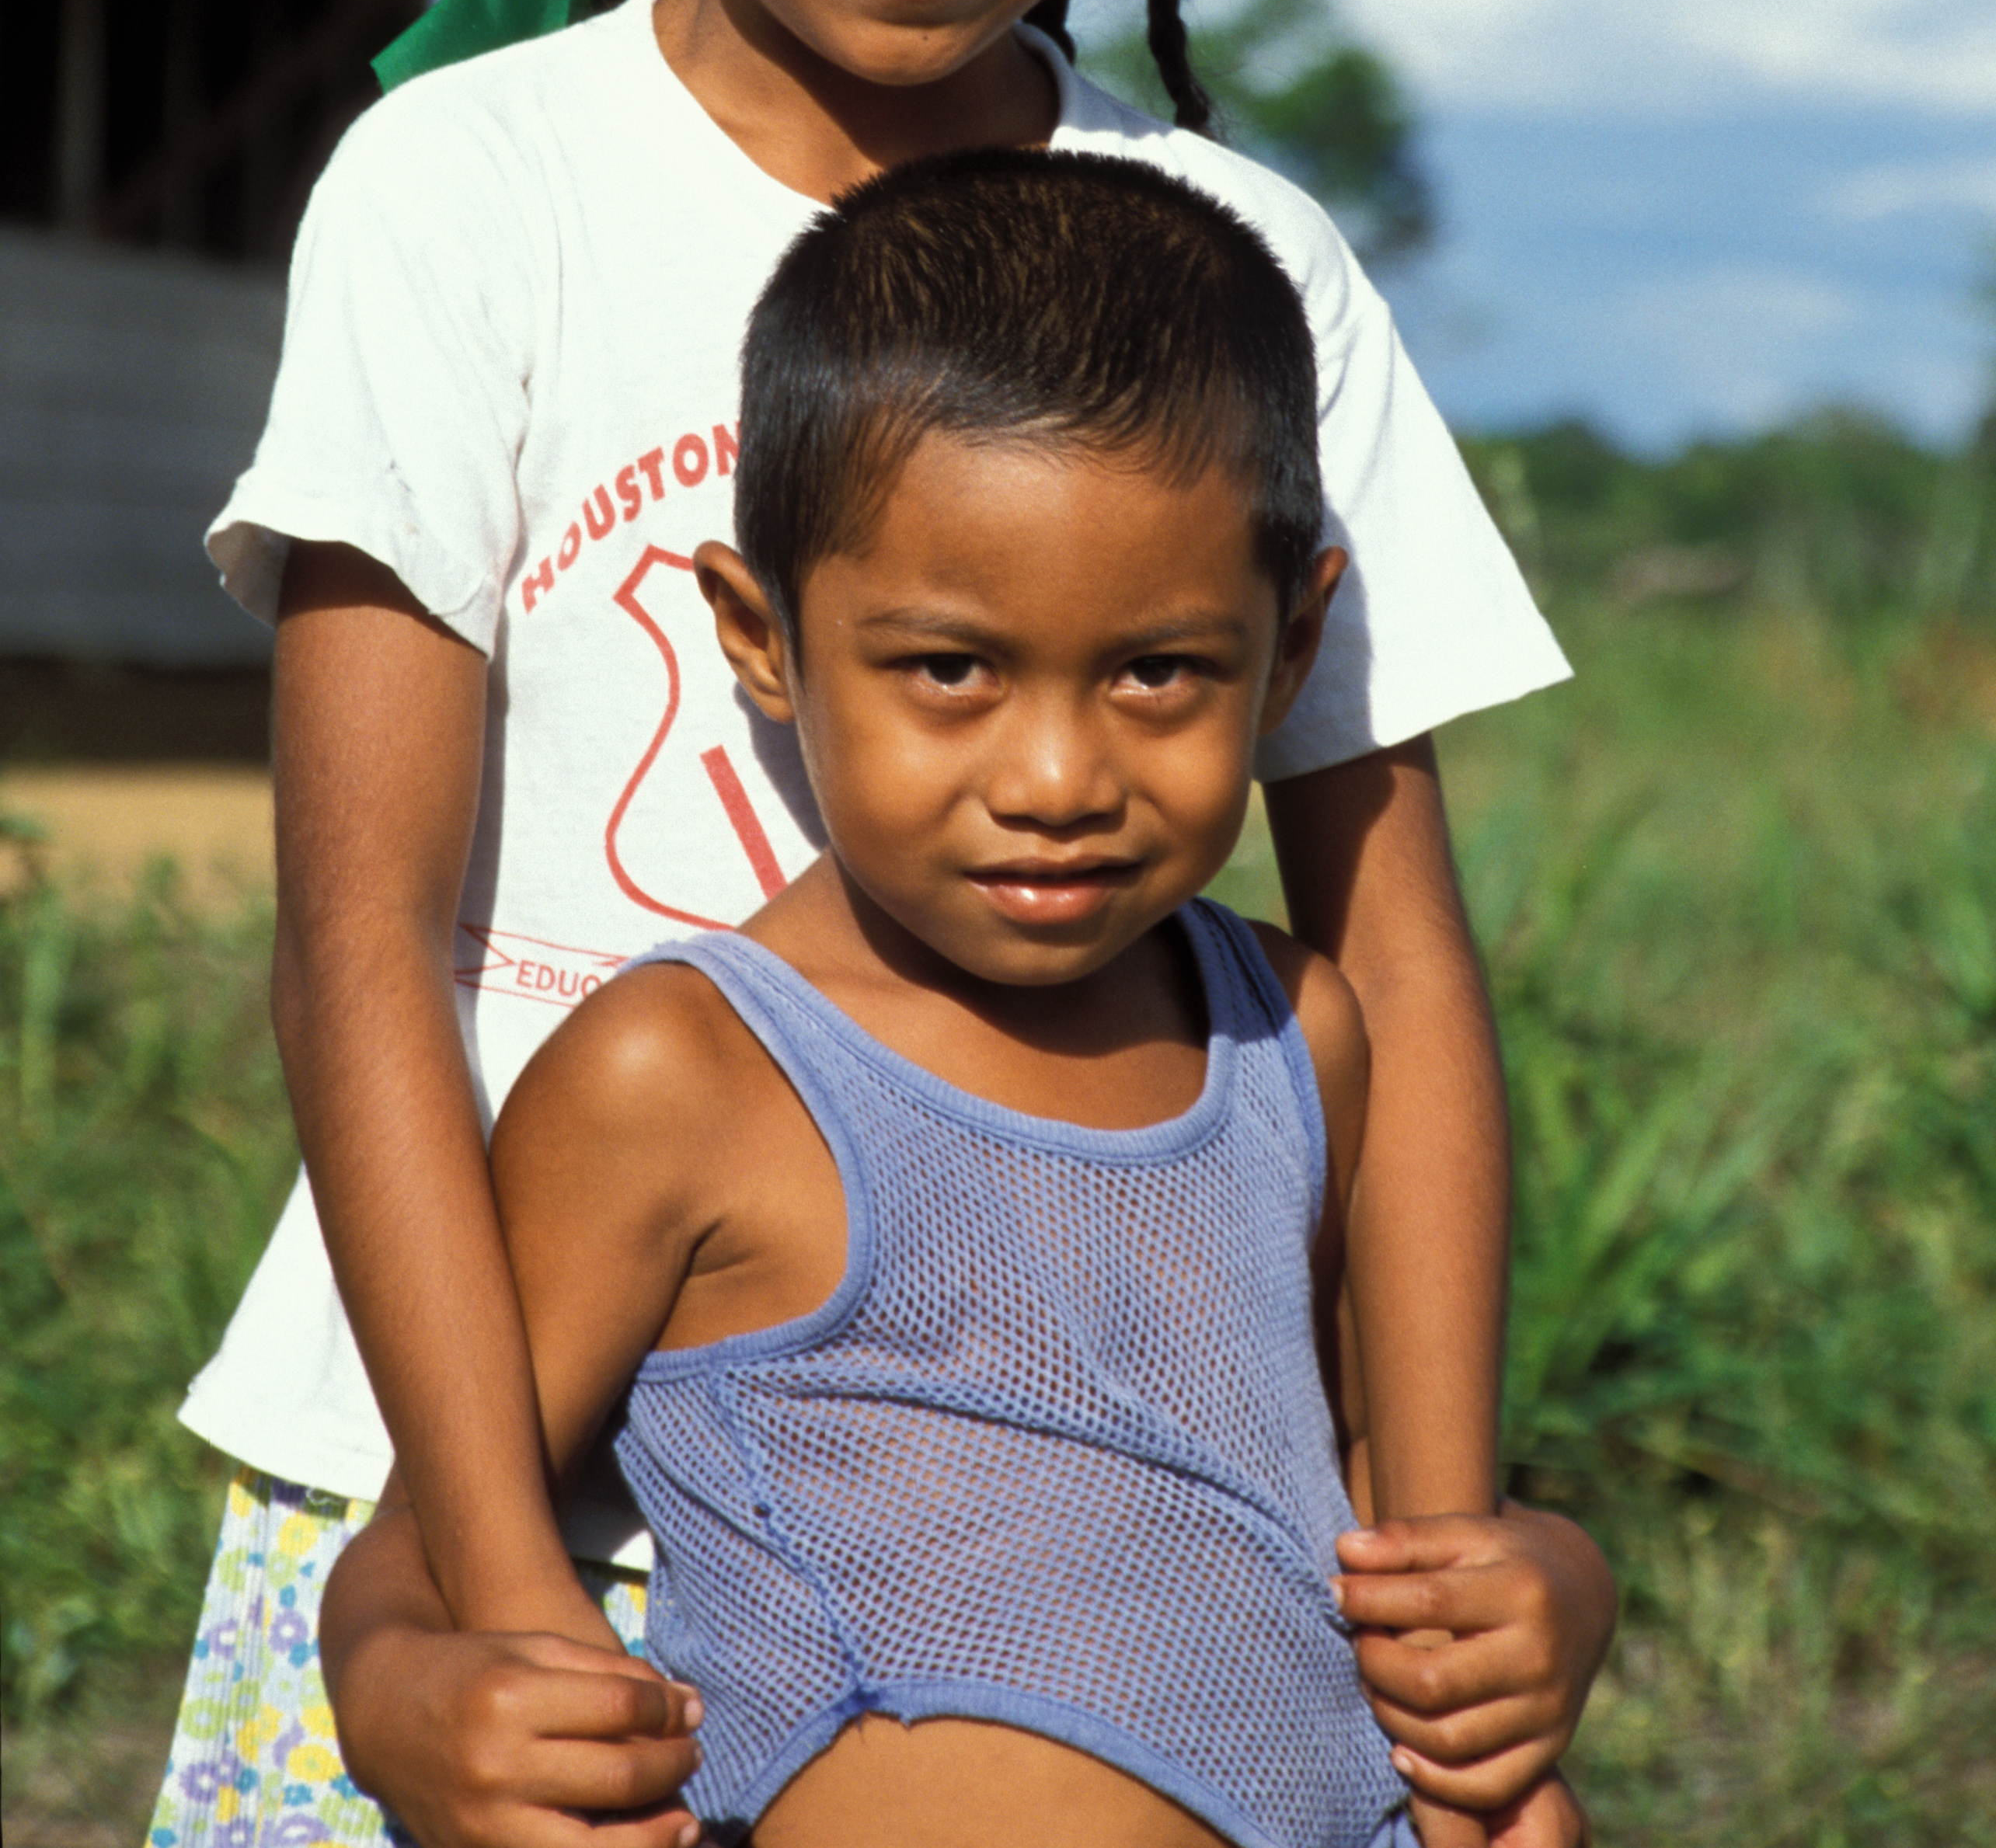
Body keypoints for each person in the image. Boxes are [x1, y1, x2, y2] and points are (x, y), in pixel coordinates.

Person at [148, 0, 1611, 1848]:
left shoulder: (1236, 262)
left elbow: (1395, 972)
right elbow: (369, 945)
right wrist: (476, 1614)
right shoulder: (476, 195)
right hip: (493, 1449)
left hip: (1038, 1473)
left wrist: (1451, 1562)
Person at [320, 147, 1580, 1848]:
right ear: (761, 638)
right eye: (949, 669)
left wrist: (1555, 1582)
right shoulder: (682, 1072)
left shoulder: (1288, 1034)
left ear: (1291, 652)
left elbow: (1352, 1493)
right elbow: (427, 1539)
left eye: (1158, 669)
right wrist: (403, 1697)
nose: (1057, 774)